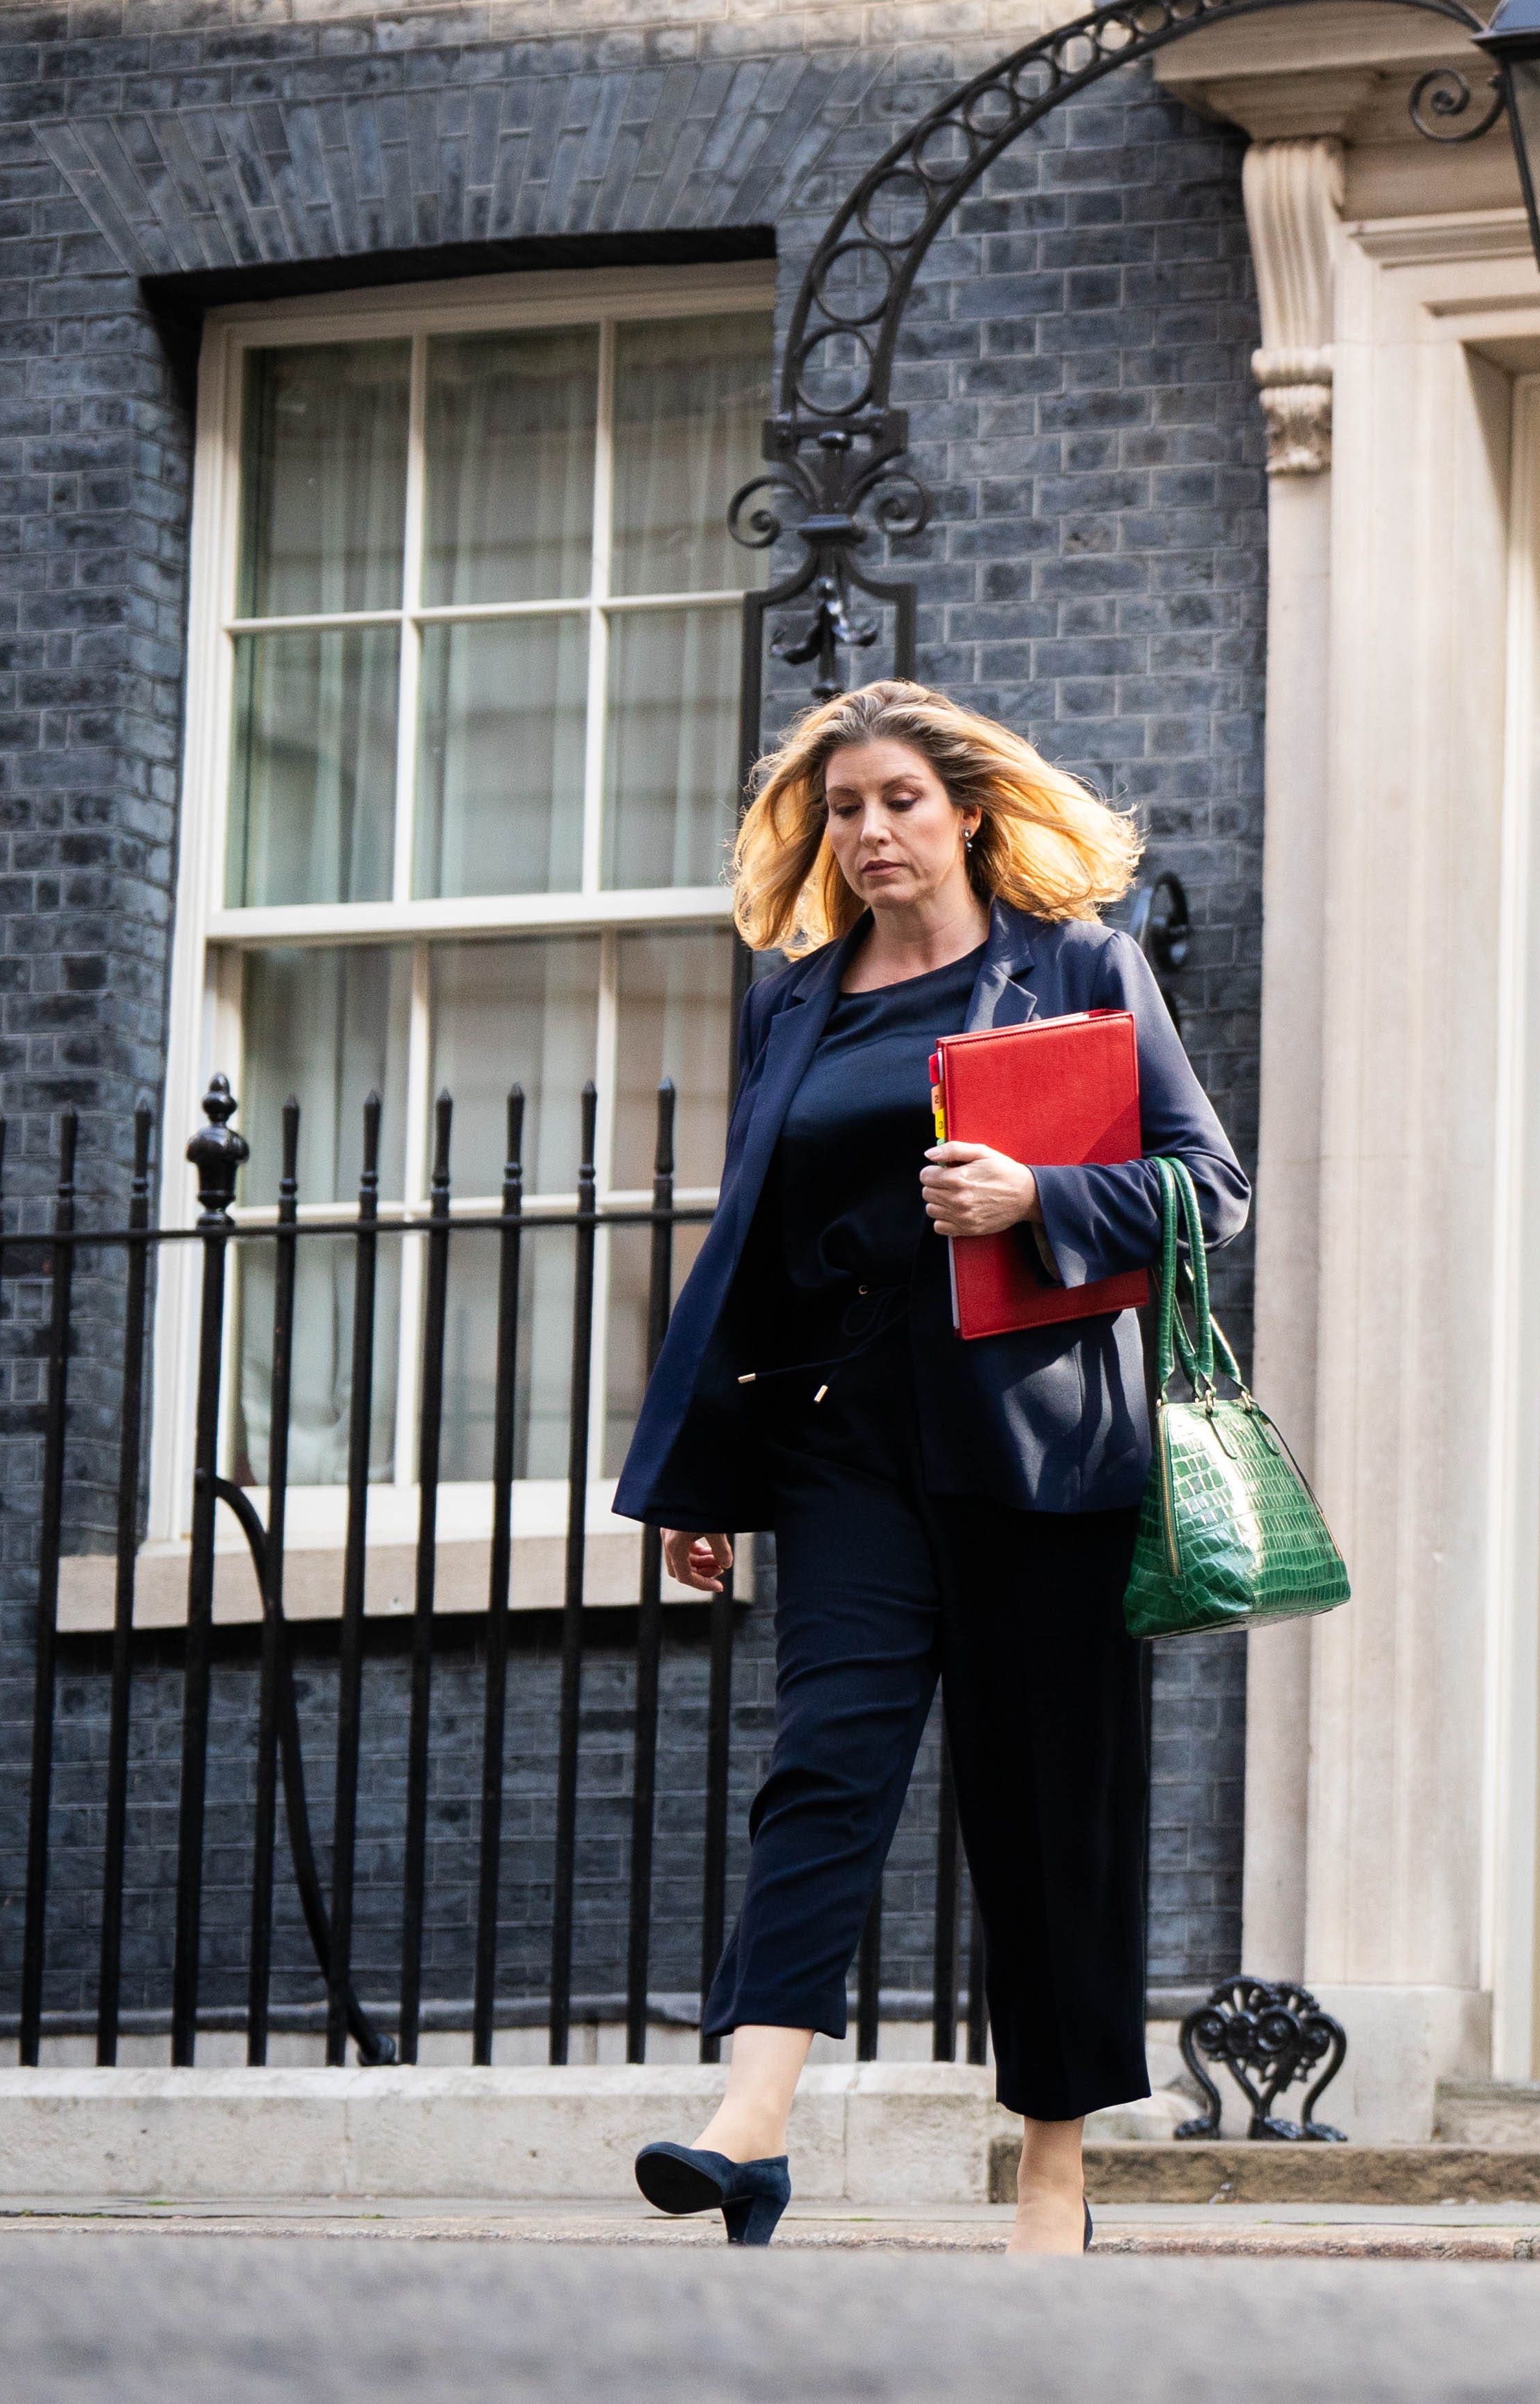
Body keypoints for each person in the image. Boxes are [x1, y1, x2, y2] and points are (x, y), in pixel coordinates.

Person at [609, 679, 1246, 2252]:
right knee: (822, 1762)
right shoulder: (794, 999)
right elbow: (749, 1247)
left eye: (899, 800)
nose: (871, 831)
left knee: (1044, 1811)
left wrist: (1039, 1195)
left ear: (966, 810)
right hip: (845, 1437)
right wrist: (703, 1472)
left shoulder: (1078, 966)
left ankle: (1053, 2170)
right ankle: (751, 2123)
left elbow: (1207, 1189)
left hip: (1040, 1444)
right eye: (842, 809)